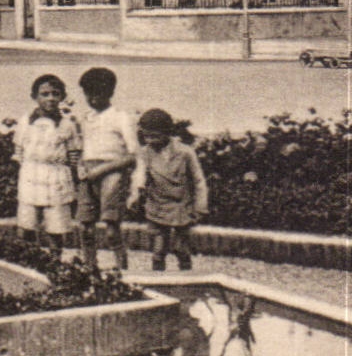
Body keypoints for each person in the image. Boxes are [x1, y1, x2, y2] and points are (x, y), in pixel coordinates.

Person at [128, 108, 209, 273]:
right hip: (157, 205)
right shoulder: (145, 153)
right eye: (146, 136)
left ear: (167, 133)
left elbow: (199, 180)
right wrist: (135, 194)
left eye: (155, 136)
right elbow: (139, 175)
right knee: (158, 251)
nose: (150, 140)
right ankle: (159, 280)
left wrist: (200, 206)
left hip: (181, 206)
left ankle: (187, 278)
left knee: (181, 249)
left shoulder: (185, 152)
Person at [73, 66, 137, 272]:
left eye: (97, 93)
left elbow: (132, 156)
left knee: (111, 228)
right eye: (88, 94)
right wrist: (81, 167)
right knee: (85, 227)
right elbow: (81, 148)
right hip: (88, 172)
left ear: (110, 92)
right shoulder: (86, 117)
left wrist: (101, 170)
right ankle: (89, 268)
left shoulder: (121, 117)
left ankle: (121, 269)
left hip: (112, 172)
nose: (92, 99)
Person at [12, 73, 80, 251]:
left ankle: (54, 265)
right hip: (30, 176)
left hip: (56, 177)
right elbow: (18, 151)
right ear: (34, 97)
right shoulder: (25, 122)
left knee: (55, 228)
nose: (50, 98)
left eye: (55, 94)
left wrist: (73, 177)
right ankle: (26, 265)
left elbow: (73, 156)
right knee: (26, 226)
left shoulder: (67, 125)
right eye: (45, 94)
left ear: (62, 97)